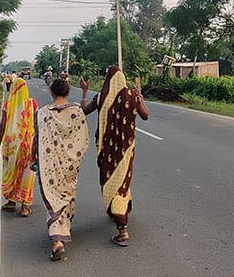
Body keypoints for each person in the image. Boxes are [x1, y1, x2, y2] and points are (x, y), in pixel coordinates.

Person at [80, 66, 149, 247]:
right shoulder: (132, 95)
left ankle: (123, 230)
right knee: (123, 181)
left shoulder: (101, 97)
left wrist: (84, 91)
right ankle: (121, 210)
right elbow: (145, 116)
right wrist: (139, 96)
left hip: (107, 151)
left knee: (112, 184)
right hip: (127, 149)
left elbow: (83, 111)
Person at [32, 79, 90, 262]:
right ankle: (61, 234)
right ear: (68, 91)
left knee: (53, 197)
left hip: (49, 165)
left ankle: (57, 240)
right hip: (70, 164)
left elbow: (37, 139)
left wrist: (34, 156)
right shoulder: (76, 111)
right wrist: (84, 93)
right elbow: (82, 137)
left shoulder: (41, 114)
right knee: (67, 196)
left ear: (50, 91)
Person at [0, 78, 38, 217]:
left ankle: (11, 202)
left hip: (11, 145)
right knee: (27, 173)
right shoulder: (32, 103)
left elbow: (2, 127)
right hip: (27, 145)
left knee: (11, 171)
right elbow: (37, 125)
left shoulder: (8, 104)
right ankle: (25, 207)